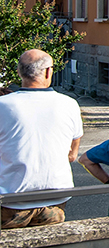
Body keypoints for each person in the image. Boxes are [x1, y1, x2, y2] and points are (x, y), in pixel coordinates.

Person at [0, 50, 83, 229]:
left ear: (19, 72)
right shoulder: (69, 104)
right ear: (48, 72)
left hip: (11, 198)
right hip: (55, 196)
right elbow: (72, 154)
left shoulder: (3, 105)